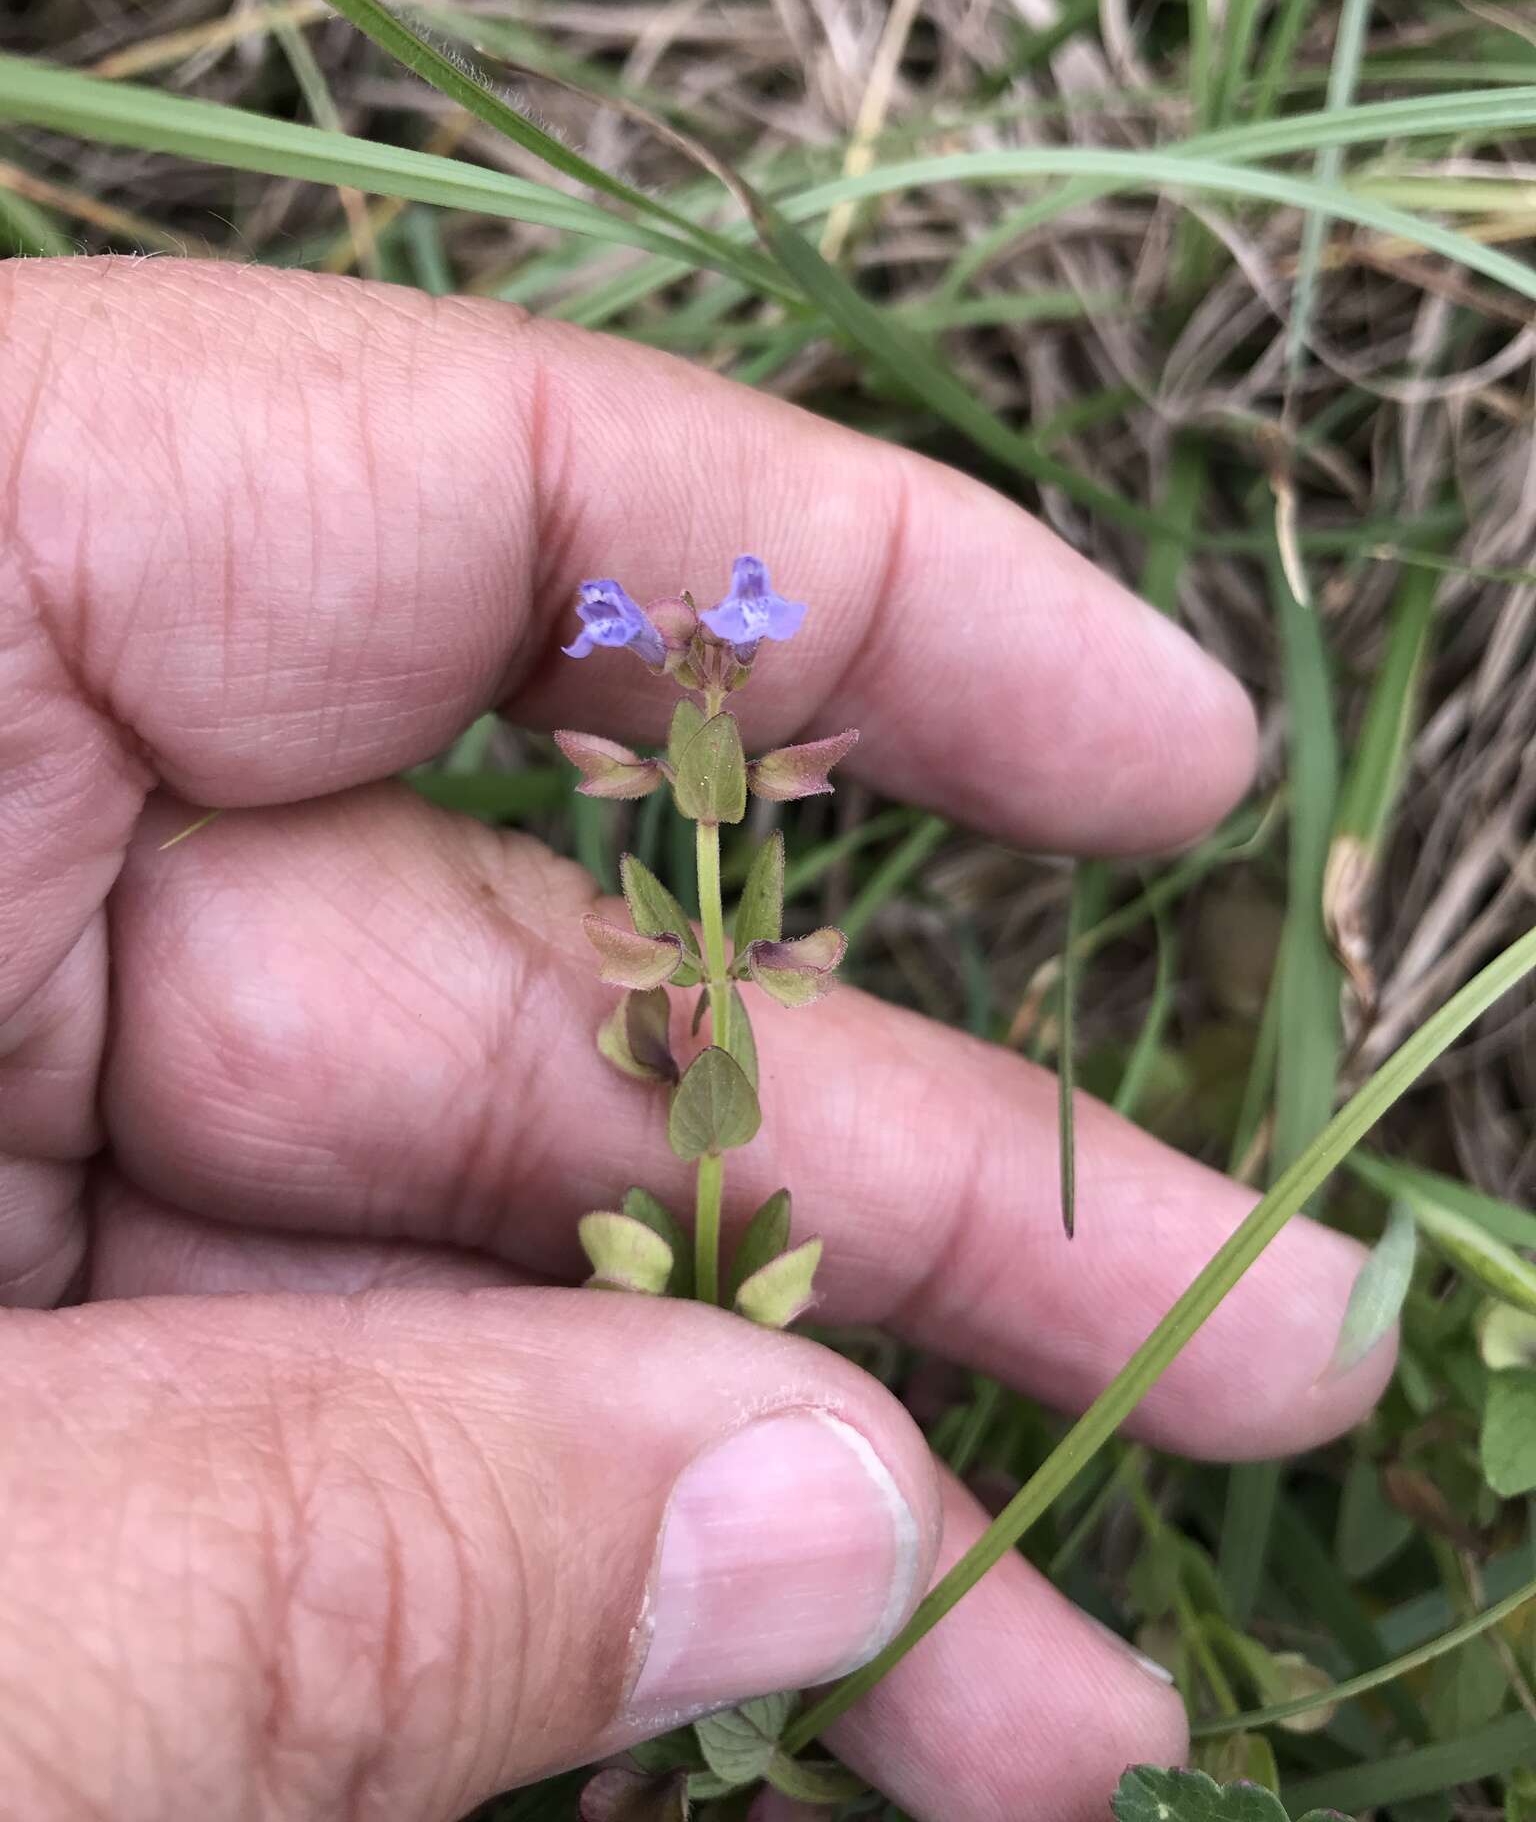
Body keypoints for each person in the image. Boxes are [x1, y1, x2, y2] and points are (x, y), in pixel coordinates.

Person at [0, 258, 1392, 1822]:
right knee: (672, 1237)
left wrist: (728, 919)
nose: (720, 638)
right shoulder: (670, 772)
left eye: (729, 633)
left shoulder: (727, 771)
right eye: (711, 634)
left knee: (719, 1194)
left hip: (700, 1037)